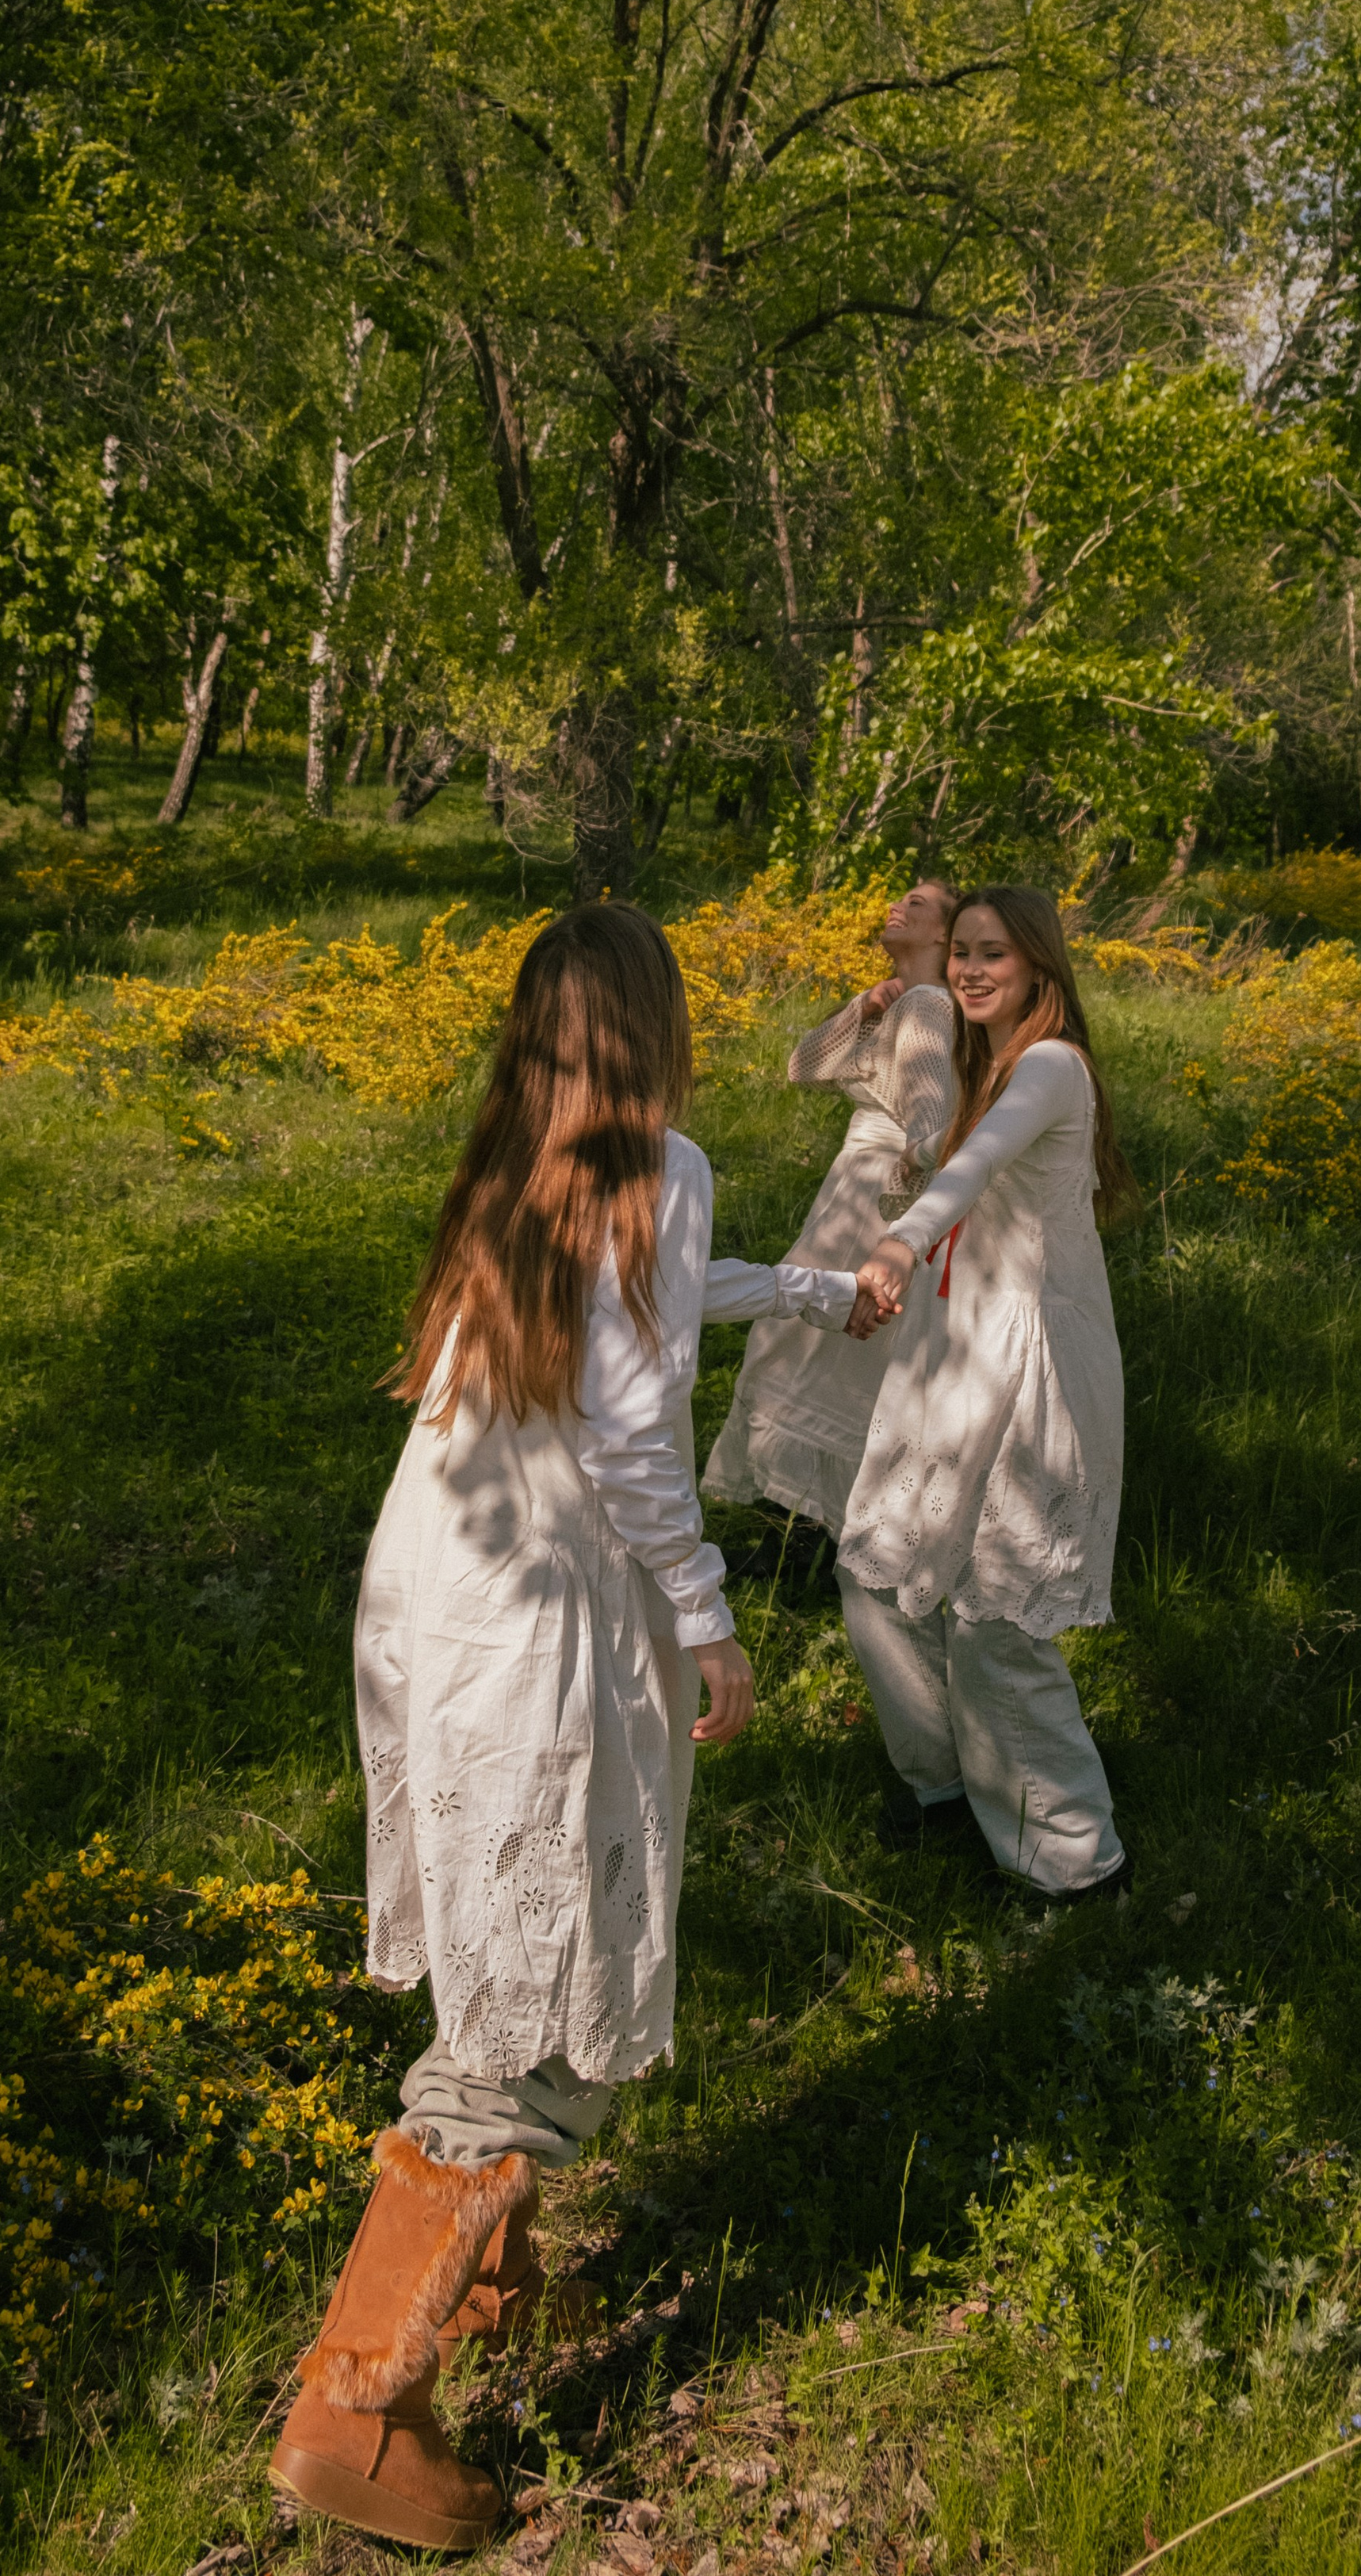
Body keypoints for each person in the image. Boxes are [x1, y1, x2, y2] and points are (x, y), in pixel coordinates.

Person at [270, 905, 858, 2551]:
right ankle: (354, 2414)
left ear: (538, 1035)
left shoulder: (522, 1162)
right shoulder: (656, 1173)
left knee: (498, 1940)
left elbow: (642, 1315)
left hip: (432, 1601)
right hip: (536, 1624)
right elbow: (627, 1422)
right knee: (525, 2020)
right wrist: (708, 1613)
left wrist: (809, 1290)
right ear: (657, 1025)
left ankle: (483, 2285)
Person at [838, 886, 1135, 1898]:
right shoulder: (977, 1057)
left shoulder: (1048, 1067)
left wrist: (897, 1238)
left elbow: (967, 1172)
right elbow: (828, 1070)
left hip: (1033, 1365)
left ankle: (1074, 1865)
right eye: (960, 951)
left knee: (998, 1621)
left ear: (1039, 966)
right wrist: (904, 999)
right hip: (950, 1351)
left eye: (991, 954)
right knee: (877, 1573)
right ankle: (943, 1792)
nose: (971, 969)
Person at [704, 879, 956, 1549]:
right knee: (818, 1351)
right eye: (897, 896)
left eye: (919, 905)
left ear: (943, 936)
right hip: (853, 1191)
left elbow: (932, 1130)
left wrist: (896, 1218)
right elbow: (802, 1066)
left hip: (878, 1197)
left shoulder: (930, 1008)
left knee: (809, 1344)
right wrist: (864, 1007)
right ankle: (809, 1531)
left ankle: (814, 1537)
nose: (896, 905)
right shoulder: (899, 1000)